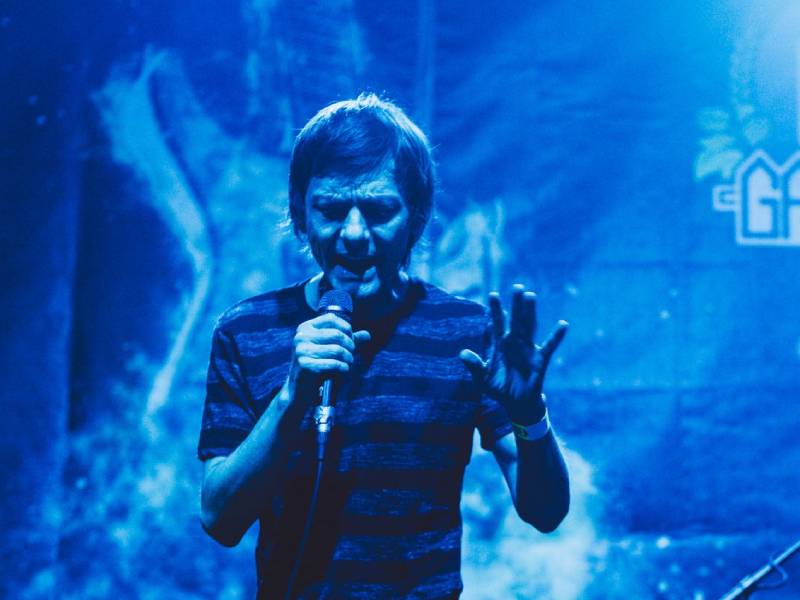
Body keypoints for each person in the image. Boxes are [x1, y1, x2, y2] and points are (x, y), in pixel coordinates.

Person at [198, 94, 570, 599]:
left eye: (378, 210)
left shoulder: (465, 333)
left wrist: (529, 416)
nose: (354, 234)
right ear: (301, 214)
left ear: (415, 215)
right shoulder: (246, 331)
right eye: (331, 209)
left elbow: (545, 513)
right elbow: (220, 519)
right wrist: (291, 398)